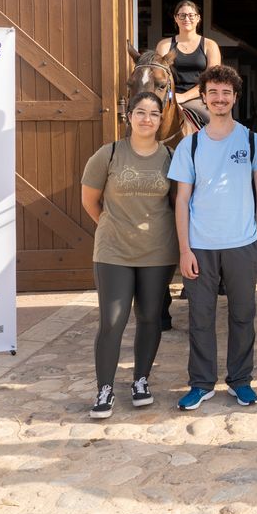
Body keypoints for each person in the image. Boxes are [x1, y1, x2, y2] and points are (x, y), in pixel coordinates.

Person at [168, 65, 257, 411]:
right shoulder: (190, 144)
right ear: (203, 97)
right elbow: (181, 199)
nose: (219, 98)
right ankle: (201, 383)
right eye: (213, 92)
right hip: (200, 244)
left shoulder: (251, 140)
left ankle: (240, 380)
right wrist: (184, 248)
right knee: (200, 317)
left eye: (226, 93)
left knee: (243, 315)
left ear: (235, 98)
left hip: (242, 244)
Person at [80, 91, 178, 418]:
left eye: (153, 113)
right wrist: (114, 226)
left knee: (150, 317)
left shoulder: (170, 158)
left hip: (157, 252)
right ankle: (104, 388)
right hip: (113, 251)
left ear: (161, 119)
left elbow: (178, 204)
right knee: (112, 320)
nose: (146, 118)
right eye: (140, 112)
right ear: (129, 116)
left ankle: (140, 380)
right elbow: (90, 201)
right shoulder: (107, 154)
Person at [156, 0, 222, 127]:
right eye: (182, 15)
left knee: (217, 123)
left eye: (191, 15)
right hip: (169, 98)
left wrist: (184, 97)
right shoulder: (164, 45)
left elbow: (211, 80)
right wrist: (172, 97)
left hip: (199, 99)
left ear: (198, 18)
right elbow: (159, 77)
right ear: (176, 18)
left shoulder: (210, 45)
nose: (187, 18)